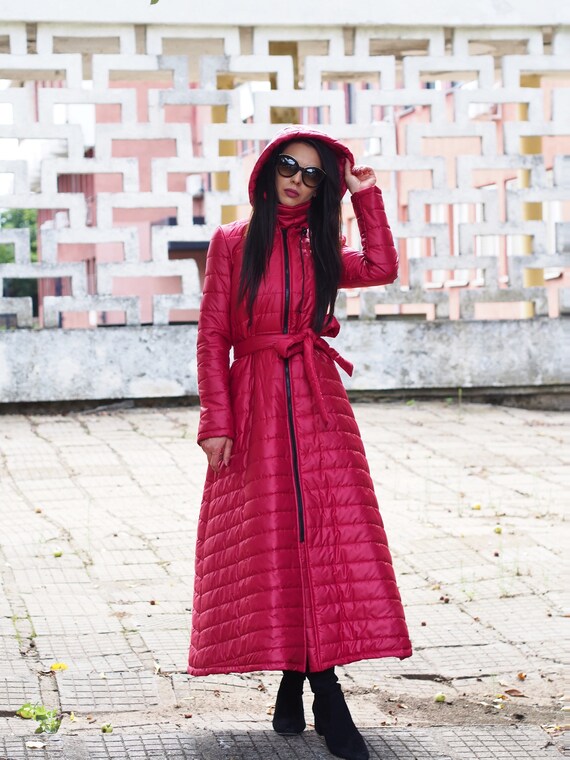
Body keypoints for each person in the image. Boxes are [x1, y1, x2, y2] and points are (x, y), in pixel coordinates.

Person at [188, 126, 412, 760]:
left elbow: (381, 268)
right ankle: (311, 686)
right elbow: (211, 338)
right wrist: (216, 421)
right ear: (269, 170)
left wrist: (366, 197)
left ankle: (313, 685)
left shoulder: (322, 246)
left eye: (314, 175)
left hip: (318, 400)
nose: (298, 179)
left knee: (324, 540)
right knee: (277, 540)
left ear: (323, 189)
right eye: (289, 165)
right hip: (255, 400)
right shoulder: (233, 243)